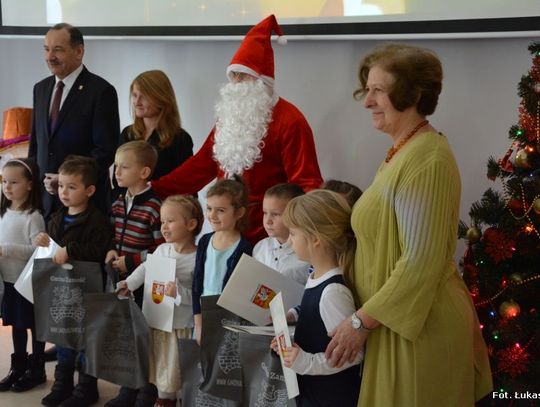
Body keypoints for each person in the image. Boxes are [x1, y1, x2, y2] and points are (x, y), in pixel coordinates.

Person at [324, 43, 492, 406]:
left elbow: (420, 261)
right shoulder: (403, 150)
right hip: (394, 324)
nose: (367, 101)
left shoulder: (426, 158)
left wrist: (360, 323)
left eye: (378, 91)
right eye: (366, 90)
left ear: (413, 94)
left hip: (420, 331)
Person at [151, 15, 323, 244]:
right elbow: (201, 166)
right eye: (233, 75)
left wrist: (300, 237)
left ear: (263, 81)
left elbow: (306, 183)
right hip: (225, 232)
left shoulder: (290, 121)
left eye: (243, 75)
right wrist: (154, 188)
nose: (236, 82)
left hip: (267, 237)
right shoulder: (229, 118)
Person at [271, 189, 362, 406]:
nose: (290, 241)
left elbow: (355, 355)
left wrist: (305, 362)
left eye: (293, 234)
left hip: (330, 397)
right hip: (314, 392)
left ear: (315, 239)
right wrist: (294, 316)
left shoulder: (333, 293)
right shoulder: (316, 277)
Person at [34, 156, 111, 407]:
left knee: (86, 341)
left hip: (86, 293)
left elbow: (99, 251)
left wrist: (72, 249)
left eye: (71, 187)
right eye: (61, 186)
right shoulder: (57, 216)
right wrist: (43, 239)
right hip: (61, 290)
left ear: (89, 191)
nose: (63, 192)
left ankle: (87, 389)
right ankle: (62, 385)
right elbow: (52, 246)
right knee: (63, 337)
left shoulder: (97, 220)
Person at [117, 195, 203, 407]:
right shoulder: (163, 249)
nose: (164, 227)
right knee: (161, 367)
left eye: (170, 221)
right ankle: (164, 400)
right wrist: (129, 283)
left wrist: (179, 292)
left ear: (191, 224)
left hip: (180, 325)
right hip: (158, 322)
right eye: (162, 222)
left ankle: (175, 400)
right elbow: (145, 269)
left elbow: (199, 295)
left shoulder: (198, 257)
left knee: (176, 370)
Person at [28, 22, 119, 219]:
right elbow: (36, 144)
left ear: (79, 51)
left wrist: (66, 180)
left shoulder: (101, 91)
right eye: (46, 49)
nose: (49, 57)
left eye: (58, 50)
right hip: (45, 203)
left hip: (85, 207)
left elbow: (106, 150)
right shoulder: (40, 88)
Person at [104, 141, 165, 407]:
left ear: (144, 172)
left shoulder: (154, 206)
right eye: (116, 166)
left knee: (145, 335)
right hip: (122, 280)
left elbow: (162, 249)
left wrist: (131, 261)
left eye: (124, 167)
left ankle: (147, 390)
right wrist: (111, 252)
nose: (117, 172)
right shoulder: (118, 202)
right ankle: (129, 387)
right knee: (127, 335)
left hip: (146, 282)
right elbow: (112, 234)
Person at [0, 159, 47, 393]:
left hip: (28, 281)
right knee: (16, 325)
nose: (7, 187)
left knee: (33, 325)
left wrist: (5, 249)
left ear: (29, 185)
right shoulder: (3, 213)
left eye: (14, 182)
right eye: (4, 181)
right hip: (8, 281)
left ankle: (37, 368)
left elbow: (38, 250)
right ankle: (18, 366)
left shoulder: (33, 216)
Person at [114, 70, 194, 199]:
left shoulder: (180, 138)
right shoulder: (128, 134)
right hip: (128, 211)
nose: (137, 102)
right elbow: (117, 182)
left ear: (161, 97)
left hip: (164, 213)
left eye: (144, 96)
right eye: (134, 95)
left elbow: (187, 187)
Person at [192, 178, 252, 344]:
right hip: (202, 318)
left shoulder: (245, 249)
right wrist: (198, 323)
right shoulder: (204, 241)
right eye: (209, 208)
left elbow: (240, 295)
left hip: (227, 323)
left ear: (239, 213)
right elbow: (196, 284)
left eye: (220, 210)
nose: (212, 215)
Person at [253, 183, 310, 285]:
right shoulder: (259, 248)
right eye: (265, 213)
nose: (268, 221)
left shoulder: (307, 254)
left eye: (275, 214)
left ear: (296, 215)